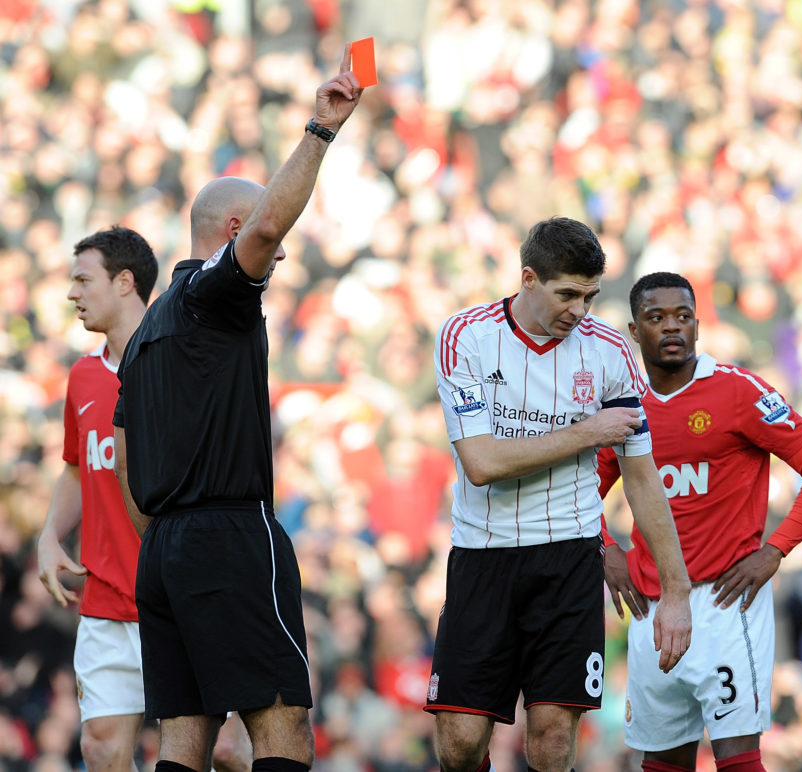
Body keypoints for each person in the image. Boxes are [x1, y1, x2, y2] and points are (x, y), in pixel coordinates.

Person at [111, 50, 363, 772]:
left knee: (185, 739)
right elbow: (261, 235)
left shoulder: (146, 333)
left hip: (161, 549)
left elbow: (127, 460)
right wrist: (320, 129)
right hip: (226, 534)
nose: (278, 252)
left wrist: (168, 543)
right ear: (231, 229)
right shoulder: (211, 296)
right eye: (264, 235)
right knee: (282, 726)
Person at [424, 218, 693, 772]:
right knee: (460, 742)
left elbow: (642, 480)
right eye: (567, 293)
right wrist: (589, 431)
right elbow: (482, 463)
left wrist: (676, 590)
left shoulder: (611, 352)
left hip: (568, 555)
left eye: (590, 296)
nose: (579, 309)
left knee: (550, 739)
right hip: (483, 554)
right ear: (528, 278)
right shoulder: (465, 336)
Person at [596, 272, 802, 772]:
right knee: (661, 761)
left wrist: (774, 550)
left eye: (683, 316)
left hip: (728, 600)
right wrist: (607, 550)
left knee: (738, 757)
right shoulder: (622, 403)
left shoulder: (739, 392)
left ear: (697, 325)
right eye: (657, 317)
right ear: (633, 329)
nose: (672, 327)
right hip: (652, 605)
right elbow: (580, 493)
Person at [36, 226, 252, 772]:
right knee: (101, 748)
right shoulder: (83, 376)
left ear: (125, 282)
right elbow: (74, 464)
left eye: (83, 279)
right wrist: (49, 535)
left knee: (222, 752)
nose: (72, 293)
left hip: (183, 592)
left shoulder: (183, 361)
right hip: (108, 595)